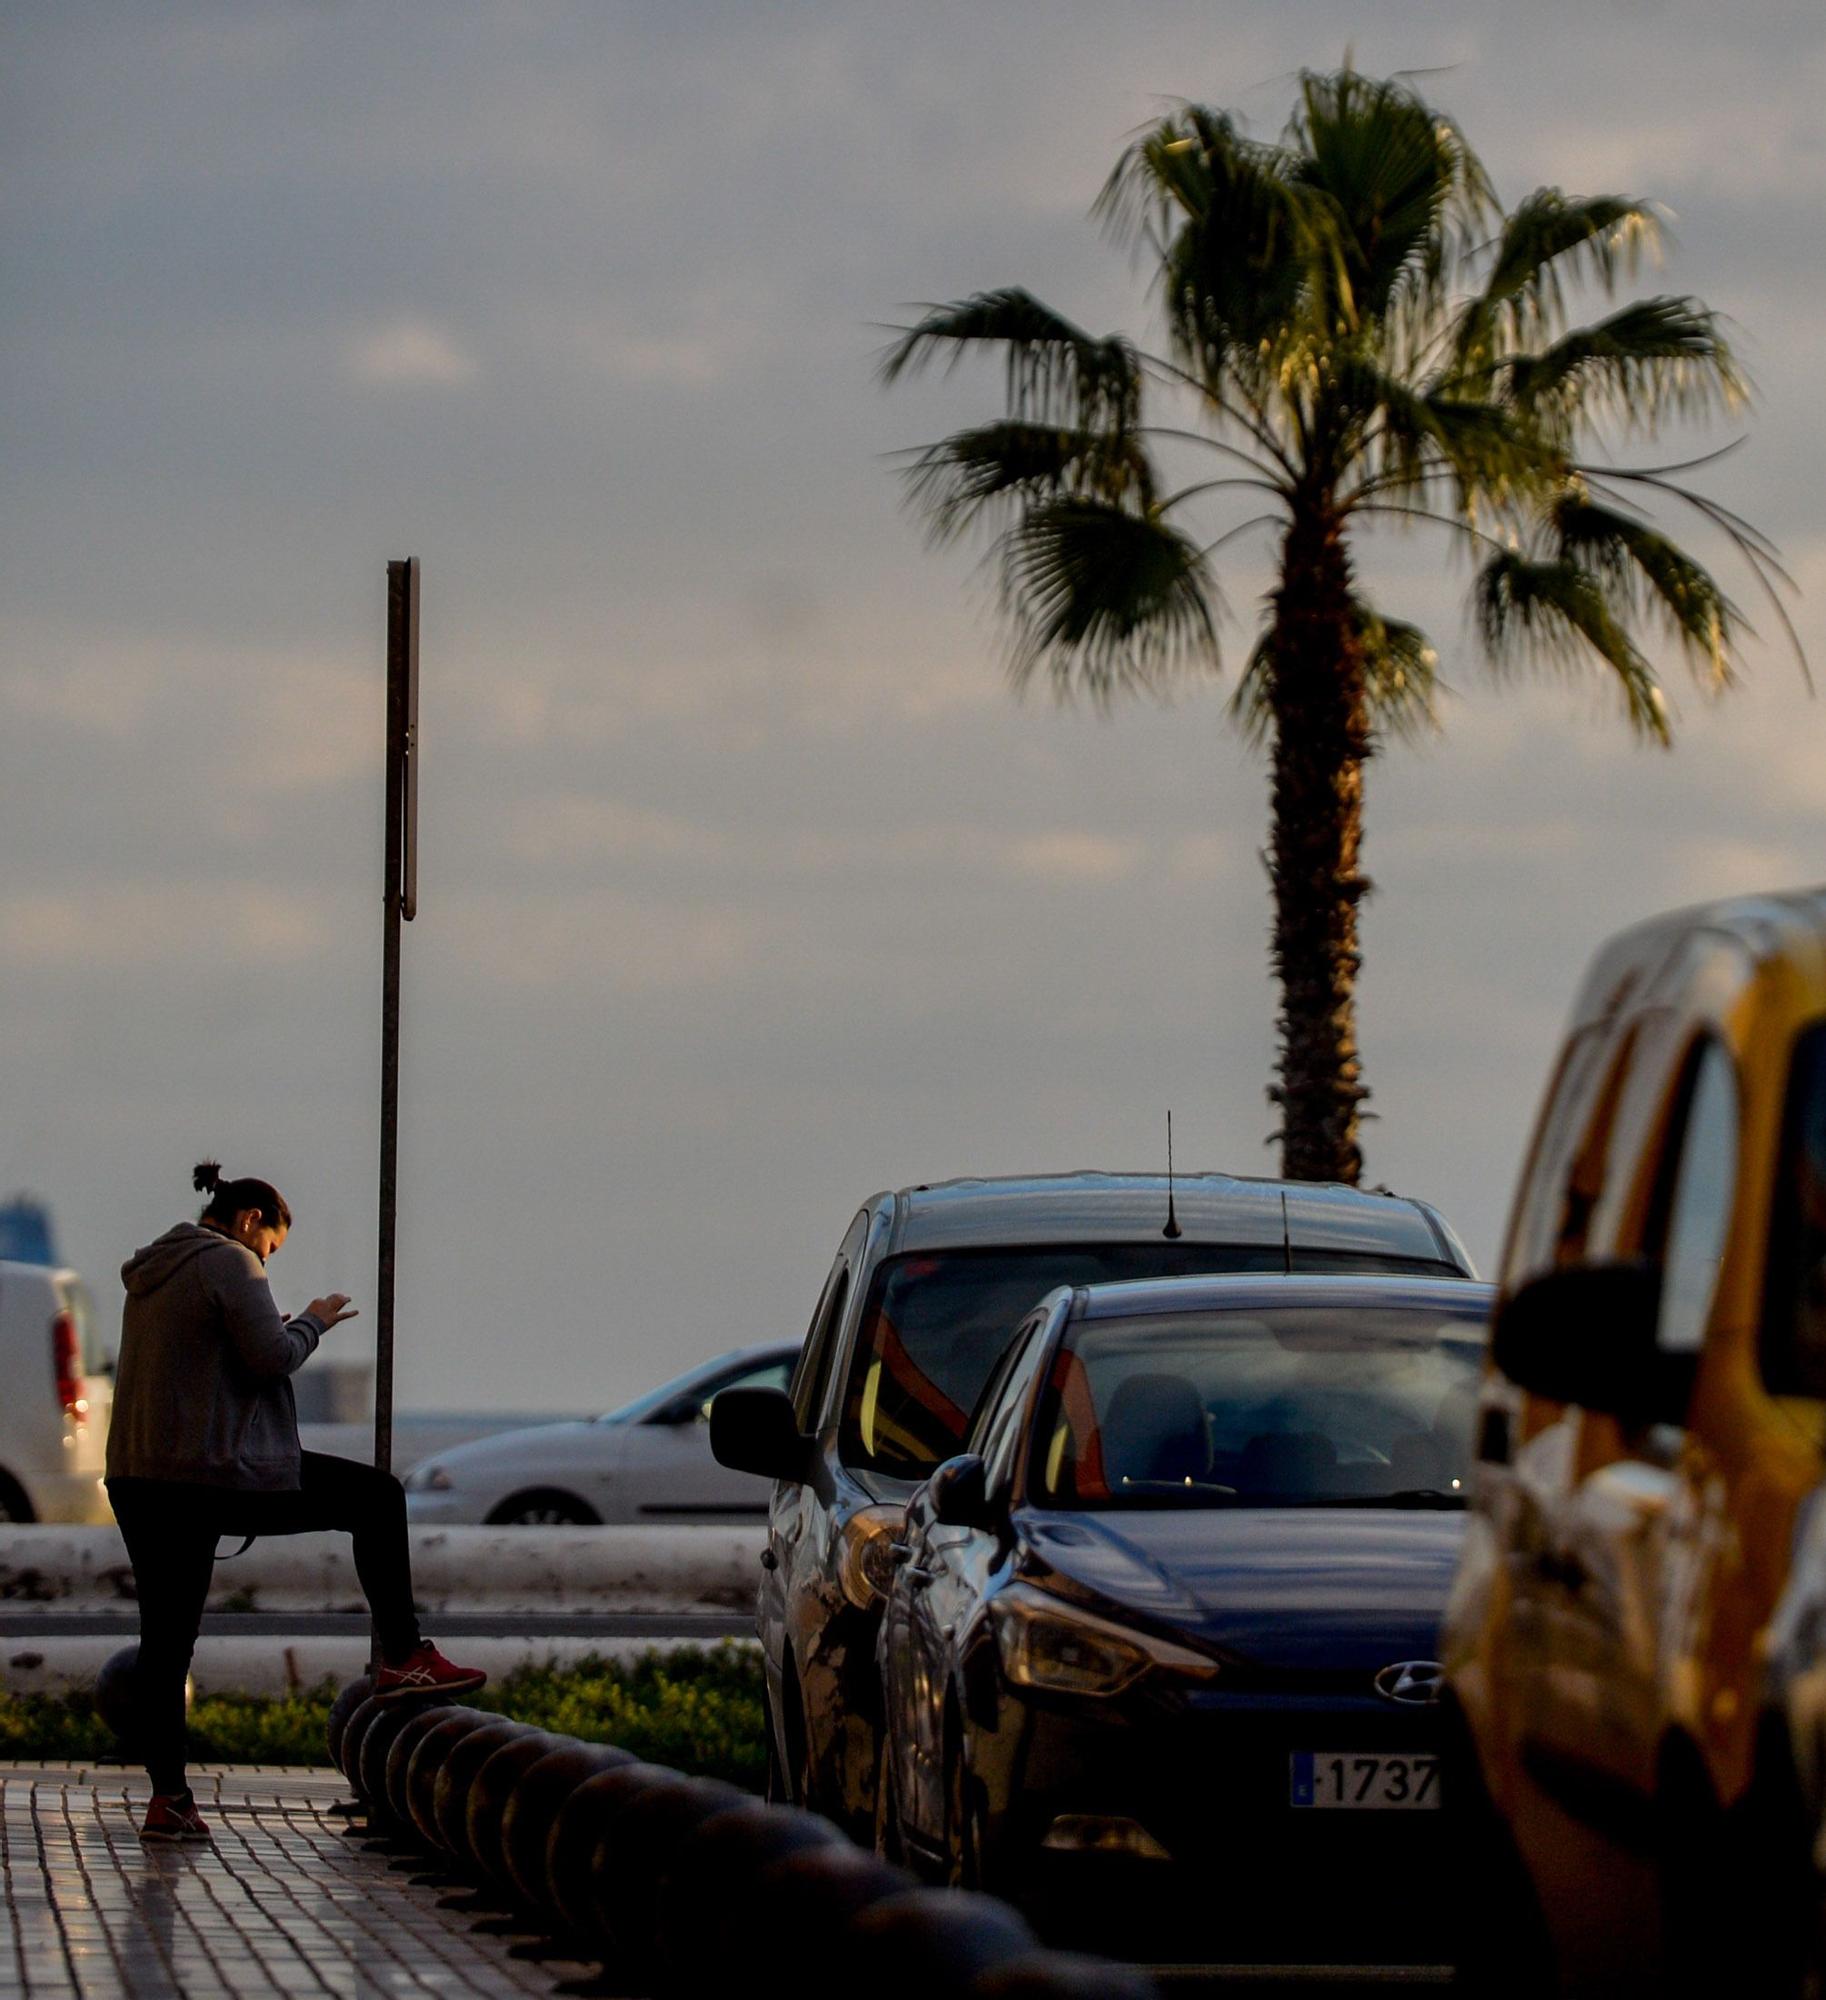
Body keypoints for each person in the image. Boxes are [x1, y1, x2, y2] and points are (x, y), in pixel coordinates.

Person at [106, 1161, 487, 1842]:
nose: (267, 1258)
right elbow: (269, 1360)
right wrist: (312, 1322)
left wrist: (272, 1330)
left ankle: (170, 1801)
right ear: (252, 1222)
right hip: (213, 1478)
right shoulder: (230, 1262)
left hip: (140, 1479)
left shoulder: (156, 1272)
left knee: (165, 1647)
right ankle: (403, 1655)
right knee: (376, 1498)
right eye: (272, 1246)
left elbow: (206, 1363)